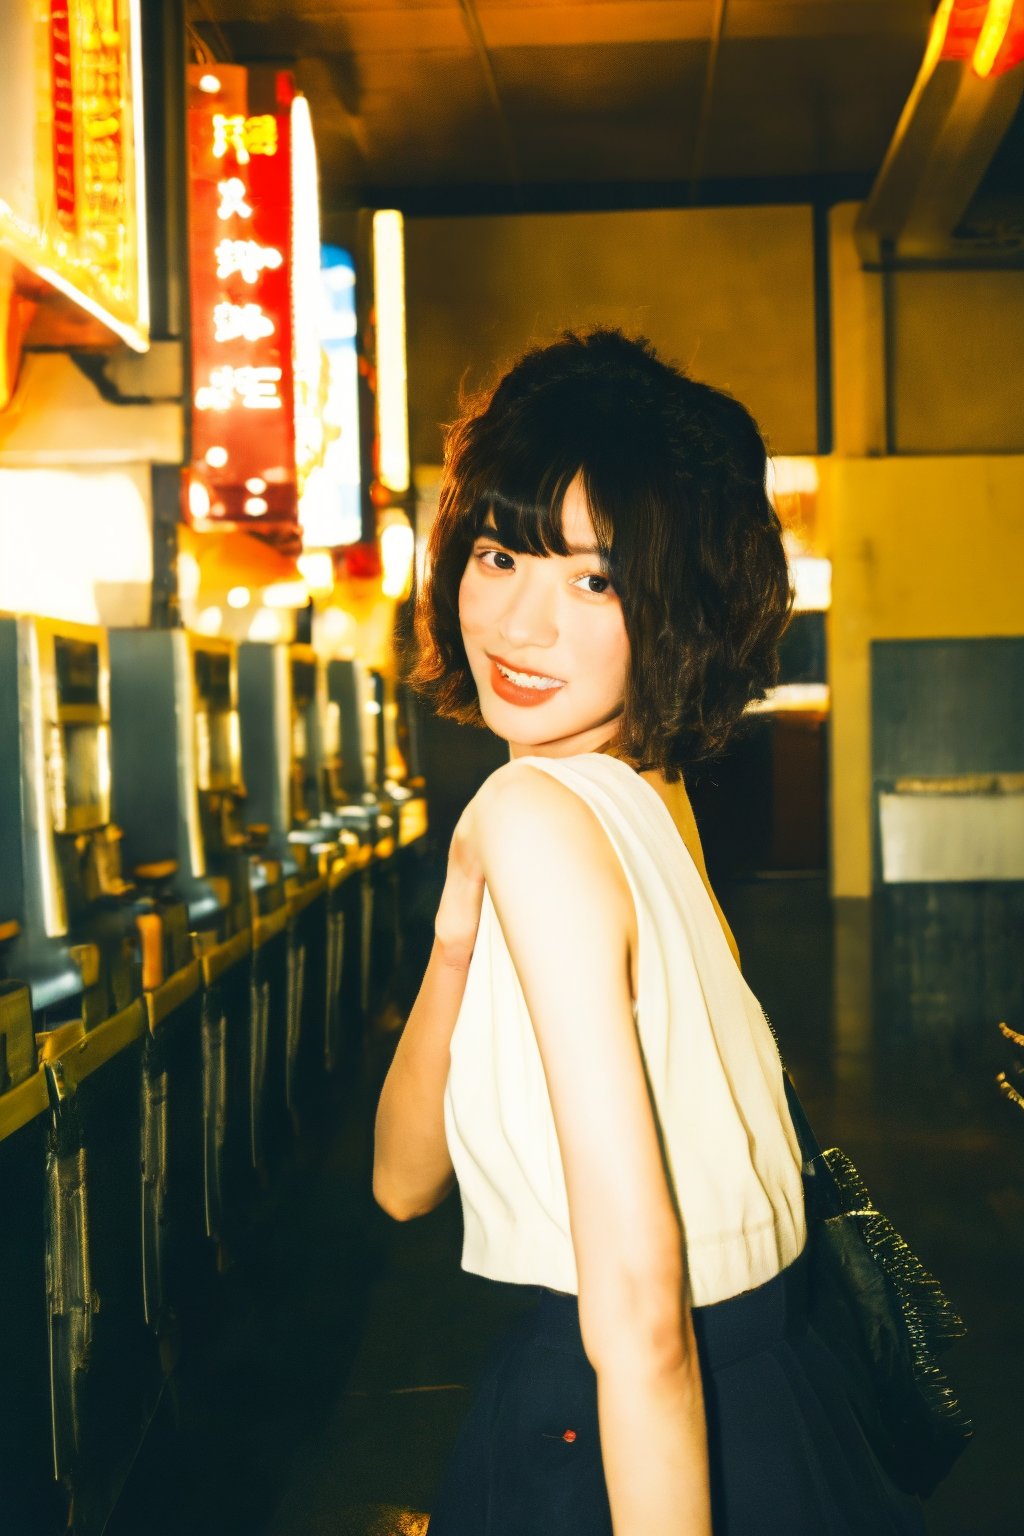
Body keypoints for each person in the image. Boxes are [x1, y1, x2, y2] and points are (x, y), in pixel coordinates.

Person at [373, 329, 927, 1535]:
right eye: (500, 552)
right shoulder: (649, 794)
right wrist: (457, 941)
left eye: (595, 580)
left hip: (623, 1436)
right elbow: (403, 1180)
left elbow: (638, 1309)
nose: (518, 624)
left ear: (670, 607)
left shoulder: (534, 812)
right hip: (777, 1396)